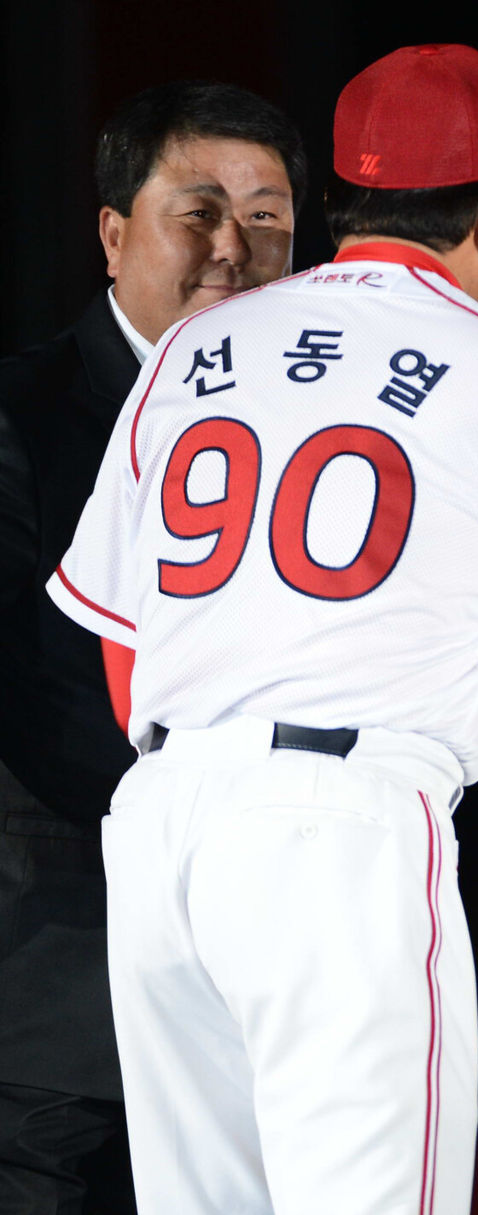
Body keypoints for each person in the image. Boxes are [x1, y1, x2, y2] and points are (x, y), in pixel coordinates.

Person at [45, 44, 478, 1215]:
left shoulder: (191, 351)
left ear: (341, 204)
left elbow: (127, 652)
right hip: (344, 831)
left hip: (167, 825)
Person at [0, 80, 306, 1213]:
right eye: (200, 211)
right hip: (62, 991)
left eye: (269, 216)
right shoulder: (22, 413)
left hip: (271, 988)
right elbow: (33, 690)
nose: (235, 248)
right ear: (114, 232)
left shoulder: (339, 431)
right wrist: (210, 815)